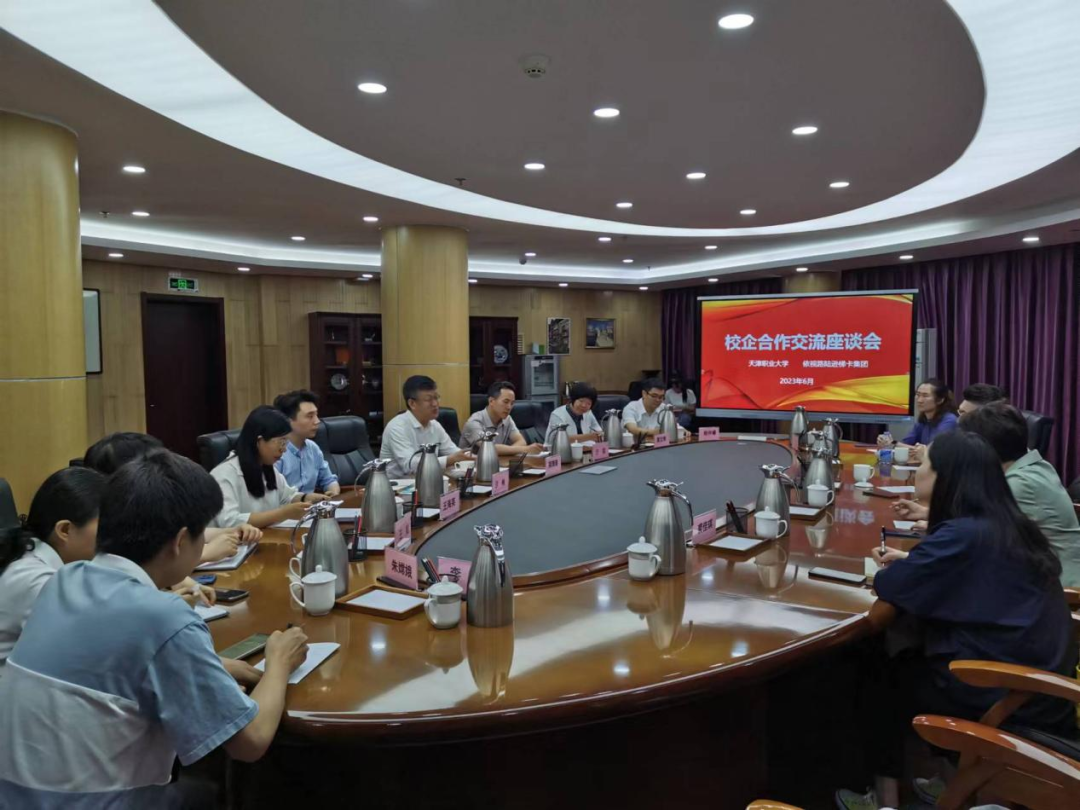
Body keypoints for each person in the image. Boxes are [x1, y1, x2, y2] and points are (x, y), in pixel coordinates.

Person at [0, 451, 309, 807]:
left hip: (14, 796)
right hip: (89, 802)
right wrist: (279, 661)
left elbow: (114, 663)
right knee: (232, 787)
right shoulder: (165, 618)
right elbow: (250, 743)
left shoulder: (66, 580)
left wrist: (217, 667)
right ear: (181, 541)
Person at [838, 431, 1076, 810]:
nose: (917, 471)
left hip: (1006, 694)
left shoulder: (964, 534)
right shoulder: (1004, 524)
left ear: (944, 478)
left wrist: (907, 566)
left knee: (878, 670)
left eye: (924, 465)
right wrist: (918, 562)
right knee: (909, 642)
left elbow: (890, 584)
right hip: (1041, 690)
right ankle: (949, 780)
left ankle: (883, 799)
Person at [83, 430, 261, 561]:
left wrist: (228, 532)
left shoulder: (140, 509)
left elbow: (171, 536)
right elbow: (142, 567)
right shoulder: (95, 526)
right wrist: (205, 554)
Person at [960, 402, 1080, 586]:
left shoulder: (1020, 483)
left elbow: (976, 537)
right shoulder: (1031, 462)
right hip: (1039, 571)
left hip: (1060, 586)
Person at [0, 467, 105, 673]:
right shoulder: (38, 580)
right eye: (104, 526)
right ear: (65, 530)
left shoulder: (28, 550)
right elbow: (83, 654)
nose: (111, 535)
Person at [210, 406, 327, 529]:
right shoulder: (225, 474)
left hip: (266, 537)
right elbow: (229, 521)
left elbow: (287, 497)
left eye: (286, 442)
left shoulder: (267, 468)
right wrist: (283, 513)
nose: (284, 449)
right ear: (259, 441)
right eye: (281, 442)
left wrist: (306, 498)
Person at [380, 376, 472, 478]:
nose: (435, 404)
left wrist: (474, 457)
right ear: (412, 403)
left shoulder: (435, 425)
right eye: (428, 399)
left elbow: (454, 452)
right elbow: (409, 466)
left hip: (427, 481)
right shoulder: (397, 427)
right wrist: (449, 460)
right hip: (398, 485)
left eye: (436, 398)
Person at [273, 390, 341, 496]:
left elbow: (328, 480)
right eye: (310, 416)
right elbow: (273, 496)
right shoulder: (276, 452)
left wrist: (333, 493)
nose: (317, 421)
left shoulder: (313, 448)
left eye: (316, 415)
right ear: (288, 420)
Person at [877, 378, 958, 460]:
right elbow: (906, 443)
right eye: (918, 395)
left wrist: (893, 443)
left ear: (940, 400)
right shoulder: (923, 420)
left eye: (925, 396)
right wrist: (888, 442)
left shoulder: (949, 420)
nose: (919, 400)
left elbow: (932, 451)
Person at [460, 381, 542, 455]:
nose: (509, 407)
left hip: (497, 463)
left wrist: (508, 451)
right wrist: (526, 449)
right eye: (506, 402)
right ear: (491, 401)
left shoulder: (507, 419)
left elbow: (521, 441)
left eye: (512, 403)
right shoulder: (474, 422)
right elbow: (490, 448)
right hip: (469, 465)